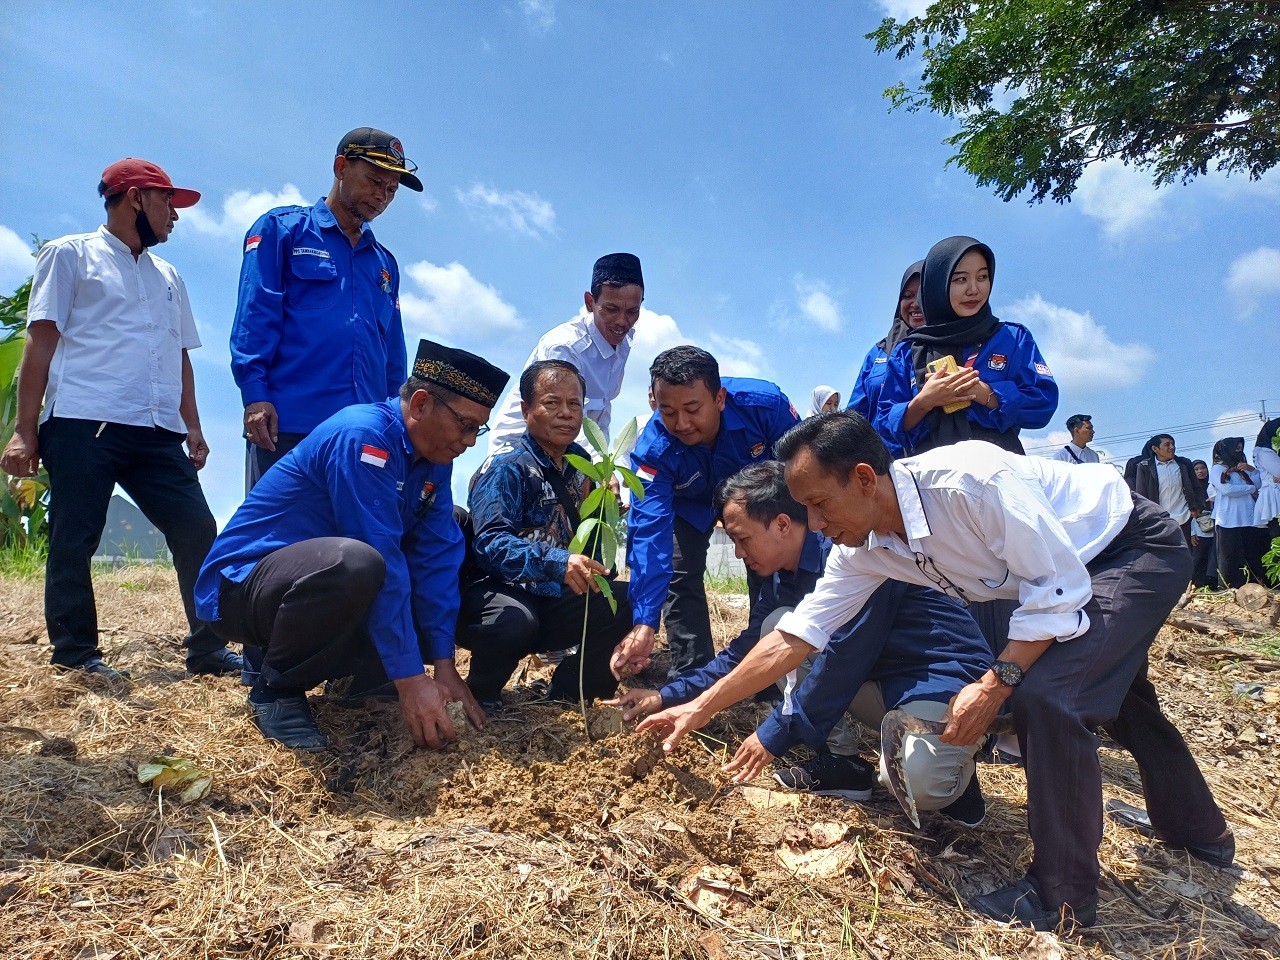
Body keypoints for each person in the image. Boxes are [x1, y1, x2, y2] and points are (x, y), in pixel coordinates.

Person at [638, 412, 1232, 932]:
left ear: (865, 479)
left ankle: (1062, 898)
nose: (814, 524)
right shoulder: (864, 547)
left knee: (1053, 697)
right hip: (1063, 572)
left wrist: (996, 682)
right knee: (1118, 693)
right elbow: (798, 637)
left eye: (819, 504)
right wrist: (700, 705)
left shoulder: (968, 484)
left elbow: (1057, 588)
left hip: (1124, 548)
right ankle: (1201, 832)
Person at [612, 461, 993, 823]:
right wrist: (666, 696)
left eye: (742, 539)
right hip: (881, 679)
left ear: (781, 524)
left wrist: (771, 735)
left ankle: (959, 771)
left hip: (941, 676)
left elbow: (842, 659)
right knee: (777, 627)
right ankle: (842, 763)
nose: (739, 554)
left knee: (919, 780)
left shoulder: (851, 554)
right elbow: (743, 655)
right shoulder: (782, 580)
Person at [194, 340, 508, 752]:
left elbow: (435, 560)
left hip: (310, 586)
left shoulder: (435, 461)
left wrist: (443, 664)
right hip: (243, 588)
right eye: (465, 425)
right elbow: (379, 549)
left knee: (453, 528)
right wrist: (412, 680)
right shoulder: (364, 438)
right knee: (359, 561)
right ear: (419, 404)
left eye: (477, 429)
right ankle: (275, 691)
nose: (470, 441)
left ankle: (365, 678)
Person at [0, 159, 240, 680]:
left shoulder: (168, 276)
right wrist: (24, 429)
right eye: (168, 203)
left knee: (197, 527)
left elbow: (180, 357)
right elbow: (40, 345)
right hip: (85, 423)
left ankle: (208, 648)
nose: (175, 216)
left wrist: (193, 427)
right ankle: (76, 654)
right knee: (75, 537)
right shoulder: (69, 255)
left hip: (156, 431)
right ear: (135, 198)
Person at [231, 127, 420, 489]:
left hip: (362, 434)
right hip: (287, 427)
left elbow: (393, 352)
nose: (382, 196)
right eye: (375, 180)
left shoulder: (385, 264)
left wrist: (399, 422)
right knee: (276, 541)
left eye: (392, 190)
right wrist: (255, 395)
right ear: (340, 167)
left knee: (356, 543)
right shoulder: (283, 230)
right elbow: (255, 317)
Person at [611, 346, 801, 680]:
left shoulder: (764, 407)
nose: (681, 424)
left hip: (757, 502)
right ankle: (693, 676)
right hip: (688, 505)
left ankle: (770, 675)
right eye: (667, 411)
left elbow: (801, 470)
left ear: (720, 398)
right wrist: (644, 621)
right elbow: (649, 535)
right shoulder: (653, 450)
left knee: (768, 566)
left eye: (692, 409)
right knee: (679, 570)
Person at [458, 359, 631, 711]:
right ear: (526, 410)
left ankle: (572, 693)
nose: (565, 414)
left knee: (625, 600)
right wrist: (558, 561)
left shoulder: (582, 464)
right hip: (495, 596)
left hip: (551, 595)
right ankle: (481, 695)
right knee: (515, 619)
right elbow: (490, 544)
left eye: (574, 404)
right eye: (552, 403)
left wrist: (605, 510)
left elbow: (588, 532)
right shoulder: (507, 467)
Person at [874, 236, 1058, 457]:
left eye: (982, 277)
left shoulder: (1012, 338)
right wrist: (925, 401)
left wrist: (984, 393)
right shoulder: (908, 351)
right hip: (931, 477)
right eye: (960, 280)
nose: (974, 289)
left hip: (1000, 471)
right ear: (937, 283)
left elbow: (1043, 404)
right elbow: (884, 424)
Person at [487, 254, 644, 456]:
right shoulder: (564, 346)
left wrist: (603, 462)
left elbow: (602, 410)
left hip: (567, 450)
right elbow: (562, 415)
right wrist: (595, 462)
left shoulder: (623, 343)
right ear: (590, 302)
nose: (622, 321)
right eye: (611, 309)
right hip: (520, 450)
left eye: (632, 311)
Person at [846, 260, 924, 460]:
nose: (915, 303)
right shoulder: (879, 352)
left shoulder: (959, 347)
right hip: (880, 470)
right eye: (907, 296)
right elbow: (856, 415)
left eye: (923, 295)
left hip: (933, 467)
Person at [1131, 434, 1206, 545]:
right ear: (1155, 449)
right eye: (1167, 445)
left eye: (1173, 444)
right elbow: (1141, 496)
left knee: (1184, 555)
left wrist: (1198, 508)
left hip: (1184, 518)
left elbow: (1196, 487)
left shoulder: (1184, 464)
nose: (1172, 447)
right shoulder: (1145, 467)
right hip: (1158, 521)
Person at [1209, 447, 1268, 588]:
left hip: (1248, 516)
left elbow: (1260, 484)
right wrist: (1251, 489)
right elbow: (1227, 489)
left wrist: (1252, 470)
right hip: (1228, 518)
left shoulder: (1244, 467)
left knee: (1251, 552)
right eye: (1235, 449)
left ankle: (1256, 583)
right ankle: (1230, 586)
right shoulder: (1218, 469)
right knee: (1229, 555)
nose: (1237, 452)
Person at [1188, 460, 1220, 590]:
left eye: (1203, 468)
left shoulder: (1213, 485)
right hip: (1199, 526)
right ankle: (1194, 583)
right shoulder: (1191, 489)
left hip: (1215, 525)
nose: (1200, 471)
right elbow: (1190, 512)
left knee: (1213, 554)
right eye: (1196, 469)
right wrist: (1192, 532)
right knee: (1199, 555)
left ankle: (1212, 582)